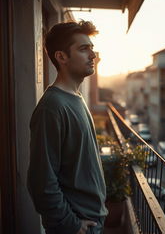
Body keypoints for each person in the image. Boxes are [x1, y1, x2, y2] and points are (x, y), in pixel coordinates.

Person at [27, 20, 108, 234]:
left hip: (92, 222)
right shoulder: (52, 108)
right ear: (61, 57)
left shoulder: (76, 97)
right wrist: (70, 225)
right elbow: (41, 181)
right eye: (83, 49)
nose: (93, 55)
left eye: (92, 48)